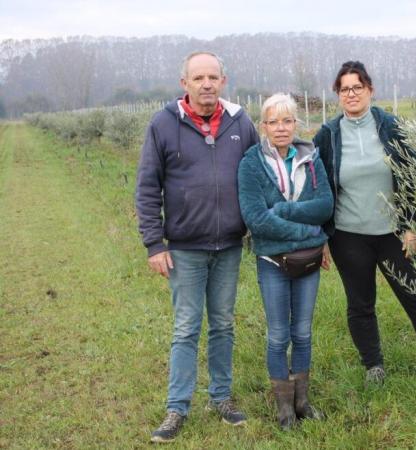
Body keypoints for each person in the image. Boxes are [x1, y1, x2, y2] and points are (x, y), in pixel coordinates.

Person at [313, 61, 416, 385]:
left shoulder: (391, 127)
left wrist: (412, 225)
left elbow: (414, 178)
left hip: (394, 234)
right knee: (360, 303)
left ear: (370, 90)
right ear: (337, 95)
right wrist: (321, 236)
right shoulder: (327, 136)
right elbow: (318, 186)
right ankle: (374, 367)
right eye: (344, 89)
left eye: (357, 87)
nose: (351, 93)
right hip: (348, 235)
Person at [135, 51, 259, 443]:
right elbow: (147, 186)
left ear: (224, 81)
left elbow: (259, 175)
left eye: (213, 77)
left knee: (223, 324)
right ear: (183, 82)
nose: (206, 84)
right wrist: (155, 243)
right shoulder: (164, 124)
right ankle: (177, 407)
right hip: (184, 248)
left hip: (229, 247)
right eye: (198, 77)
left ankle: (221, 398)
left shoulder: (242, 123)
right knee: (186, 327)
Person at [238, 93, 333, 429]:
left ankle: (303, 401)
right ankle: (284, 408)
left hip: (306, 262)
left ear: (296, 124)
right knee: (279, 335)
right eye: (274, 121)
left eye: (287, 120)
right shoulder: (251, 163)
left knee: (303, 333)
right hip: (272, 260)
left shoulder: (312, 158)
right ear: (263, 126)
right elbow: (256, 219)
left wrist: (285, 211)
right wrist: (309, 233)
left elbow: (325, 205)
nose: (281, 128)